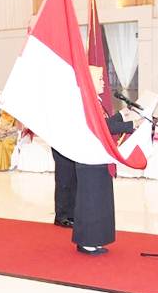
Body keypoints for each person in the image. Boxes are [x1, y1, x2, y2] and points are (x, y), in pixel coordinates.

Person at [54, 65, 137, 254]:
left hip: (97, 157)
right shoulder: (87, 103)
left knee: (99, 200)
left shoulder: (94, 102)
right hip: (90, 159)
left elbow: (104, 123)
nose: (103, 83)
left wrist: (122, 116)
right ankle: (86, 241)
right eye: (99, 79)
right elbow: (100, 128)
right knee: (90, 201)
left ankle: (95, 238)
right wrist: (131, 124)